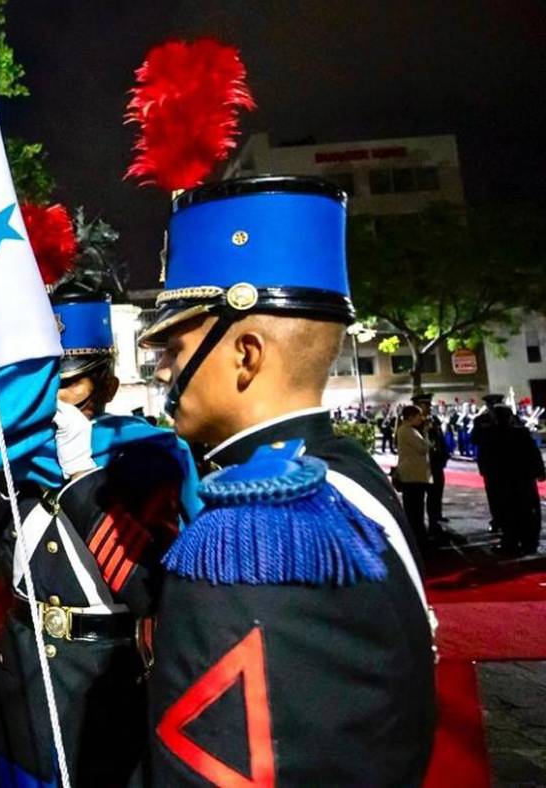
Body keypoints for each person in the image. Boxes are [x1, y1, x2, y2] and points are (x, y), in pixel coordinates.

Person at [139, 175, 436, 785]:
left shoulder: (255, 530)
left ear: (246, 353)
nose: (164, 366)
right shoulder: (342, 474)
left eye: (174, 343)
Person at [0, 289, 197, 787]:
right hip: (22, 668)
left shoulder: (146, 456)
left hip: (103, 676)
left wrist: (81, 478)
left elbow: (150, 590)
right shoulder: (19, 457)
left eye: (69, 382)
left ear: (107, 384)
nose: (52, 398)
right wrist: (0, 477)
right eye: (42, 383)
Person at [488, 405, 545, 554]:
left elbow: (491, 460)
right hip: (523, 479)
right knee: (528, 512)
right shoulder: (520, 433)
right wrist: (540, 472)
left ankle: (511, 542)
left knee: (509, 512)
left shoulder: (493, 435)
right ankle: (529, 543)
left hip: (507, 480)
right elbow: (534, 454)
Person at [395, 404, 432, 547]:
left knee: (414, 507)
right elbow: (423, 448)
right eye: (418, 416)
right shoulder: (407, 431)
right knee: (415, 509)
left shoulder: (406, 430)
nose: (421, 419)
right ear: (410, 417)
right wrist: (426, 433)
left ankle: (417, 535)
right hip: (412, 476)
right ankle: (418, 538)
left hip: (412, 475)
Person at [414, 392, 449, 533]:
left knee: (436, 492)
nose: (429, 407)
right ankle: (421, 524)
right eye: (425, 405)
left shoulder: (433, 420)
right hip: (422, 463)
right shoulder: (413, 422)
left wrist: (444, 454)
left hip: (436, 462)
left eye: (429, 404)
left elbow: (440, 439)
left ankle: (435, 519)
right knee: (421, 495)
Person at [472, 393, 505, 530]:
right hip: (491, 463)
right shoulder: (481, 420)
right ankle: (498, 520)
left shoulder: (507, 418)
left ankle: (502, 521)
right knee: (495, 494)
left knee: (500, 494)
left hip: (500, 463)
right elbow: (475, 439)